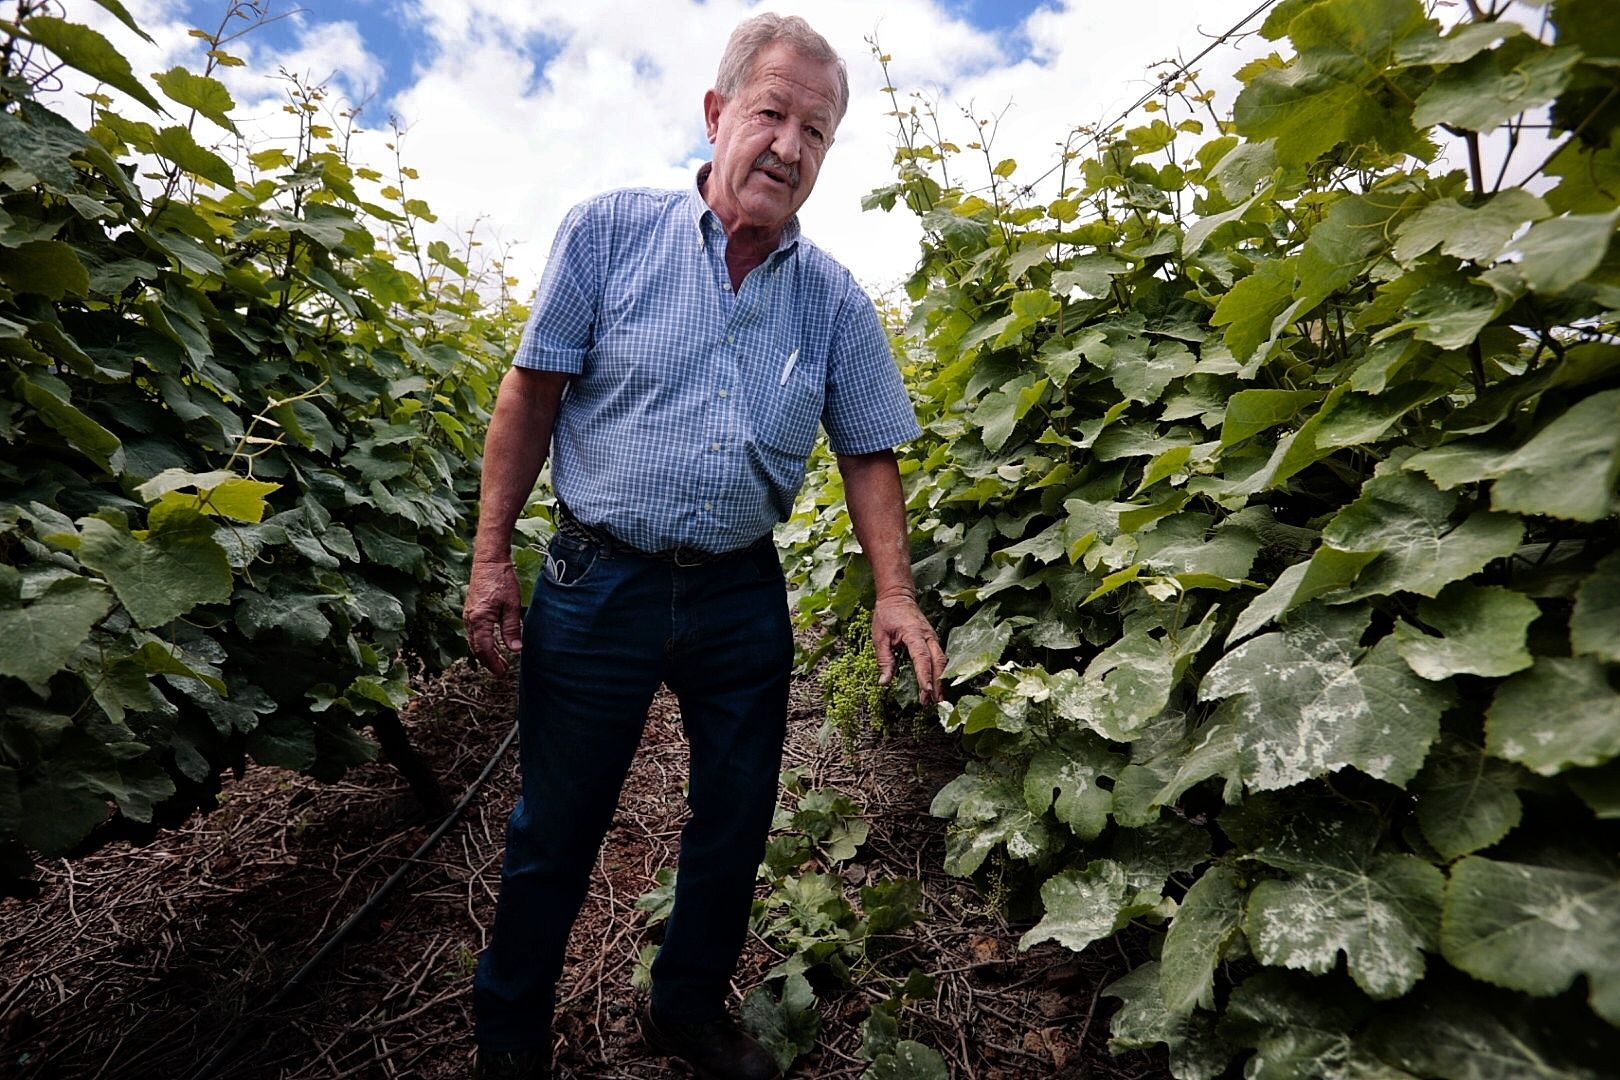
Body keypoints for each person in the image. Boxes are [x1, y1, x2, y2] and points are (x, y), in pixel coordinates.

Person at [462, 14, 945, 1080]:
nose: (788, 145)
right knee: (558, 826)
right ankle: (508, 1037)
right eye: (771, 113)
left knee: (735, 819)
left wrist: (895, 593)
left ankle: (684, 1008)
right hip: (598, 580)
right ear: (719, 113)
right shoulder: (607, 233)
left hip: (739, 593)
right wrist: (493, 559)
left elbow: (869, 451)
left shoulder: (830, 300)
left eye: (815, 131)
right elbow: (530, 393)